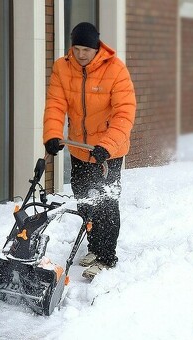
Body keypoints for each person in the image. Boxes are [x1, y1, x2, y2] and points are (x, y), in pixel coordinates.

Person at [43, 22, 136, 280]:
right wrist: (52, 135)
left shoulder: (115, 70)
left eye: (87, 49)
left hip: (108, 151)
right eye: (77, 48)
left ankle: (106, 256)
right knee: (85, 198)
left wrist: (107, 145)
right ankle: (95, 247)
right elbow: (55, 104)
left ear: (97, 48)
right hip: (79, 149)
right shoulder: (63, 67)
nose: (81, 54)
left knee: (106, 201)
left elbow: (124, 113)